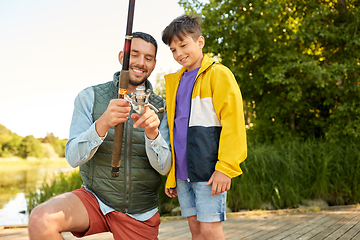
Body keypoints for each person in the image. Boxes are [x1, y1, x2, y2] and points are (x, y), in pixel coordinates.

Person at [28, 32, 172, 240]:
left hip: (140, 213)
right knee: (41, 219)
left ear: (154, 63)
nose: (141, 63)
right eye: (135, 55)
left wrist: (153, 134)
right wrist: (102, 123)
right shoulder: (89, 97)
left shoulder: (162, 108)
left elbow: (165, 167)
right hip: (95, 199)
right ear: (122, 57)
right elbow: (72, 157)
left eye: (148, 58)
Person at [161, 15, 247, 240]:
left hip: (209, 171)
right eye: (173, 50)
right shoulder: (175, 82)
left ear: (200, 42)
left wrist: (226, 168)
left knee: (210, 230)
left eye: (183, 45)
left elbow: (234, 123)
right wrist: (172, 176)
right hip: (182, 174)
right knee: (196, 230)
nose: (178, 53)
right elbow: (174, 132)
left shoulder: (218, 74)